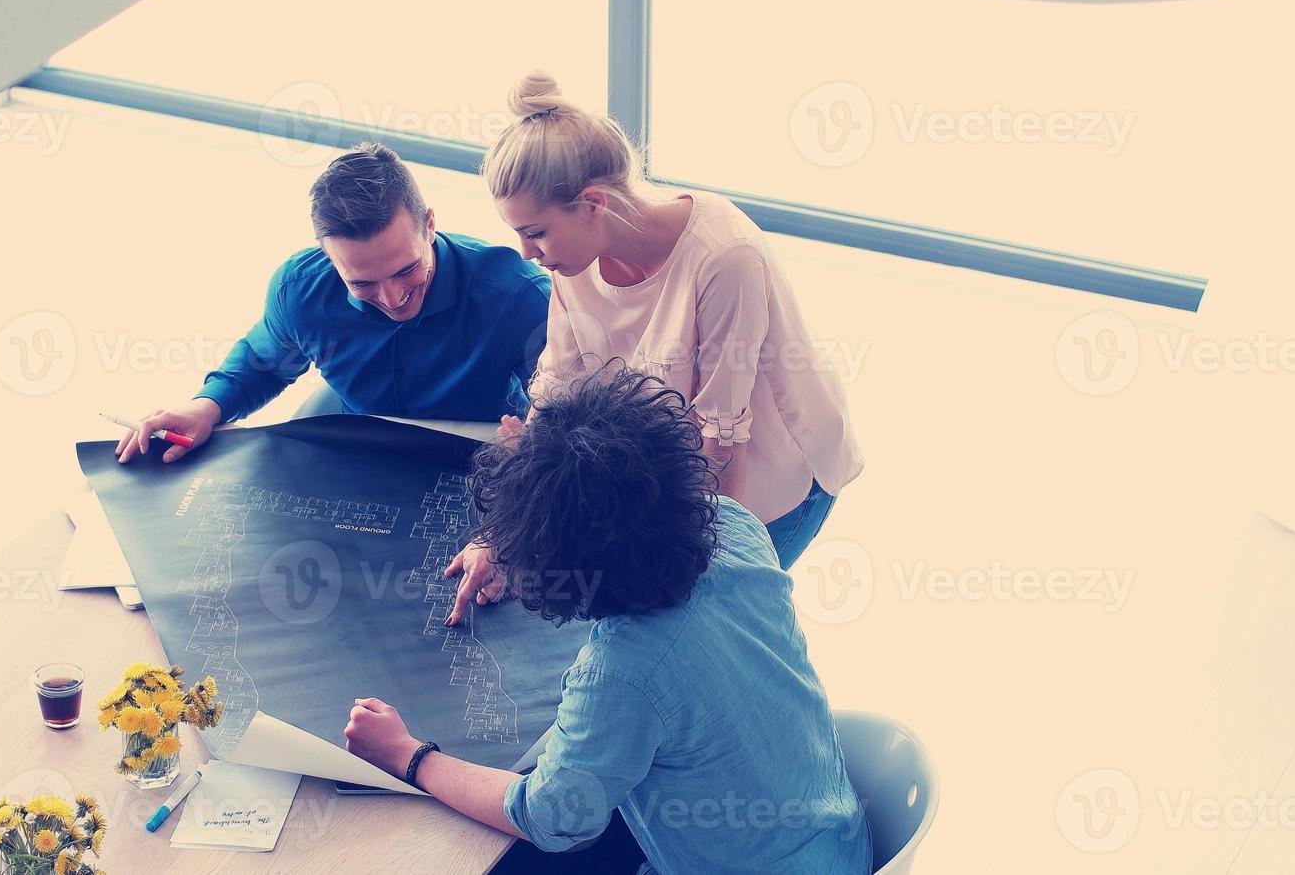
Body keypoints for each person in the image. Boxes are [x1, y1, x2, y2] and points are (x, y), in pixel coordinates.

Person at [343, 366, 873, 875]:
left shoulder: (621, 674)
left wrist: (408, 756)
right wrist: (518, 543)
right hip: (834, 847)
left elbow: (550, 820)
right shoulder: (737, 528)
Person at [447, 72, 859, 586]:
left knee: (712, 624)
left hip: (773, 474)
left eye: (536, 233)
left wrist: (706, 579)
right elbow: (558, 389)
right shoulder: (573, 259)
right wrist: (505, 535)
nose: (527, 253)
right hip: (681, 453)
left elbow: (720, 439)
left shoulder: (724, 257)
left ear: (593, 204)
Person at [116, 142, 550, 464]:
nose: (393, 298)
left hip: (483, 458)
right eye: (362, 283)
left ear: (430, 225)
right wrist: (204, 407)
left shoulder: (519, 295)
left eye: (406, 270)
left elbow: (568, 415)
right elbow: (261, 363)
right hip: (358, 450)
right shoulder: (300, 288)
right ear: (328, 255)